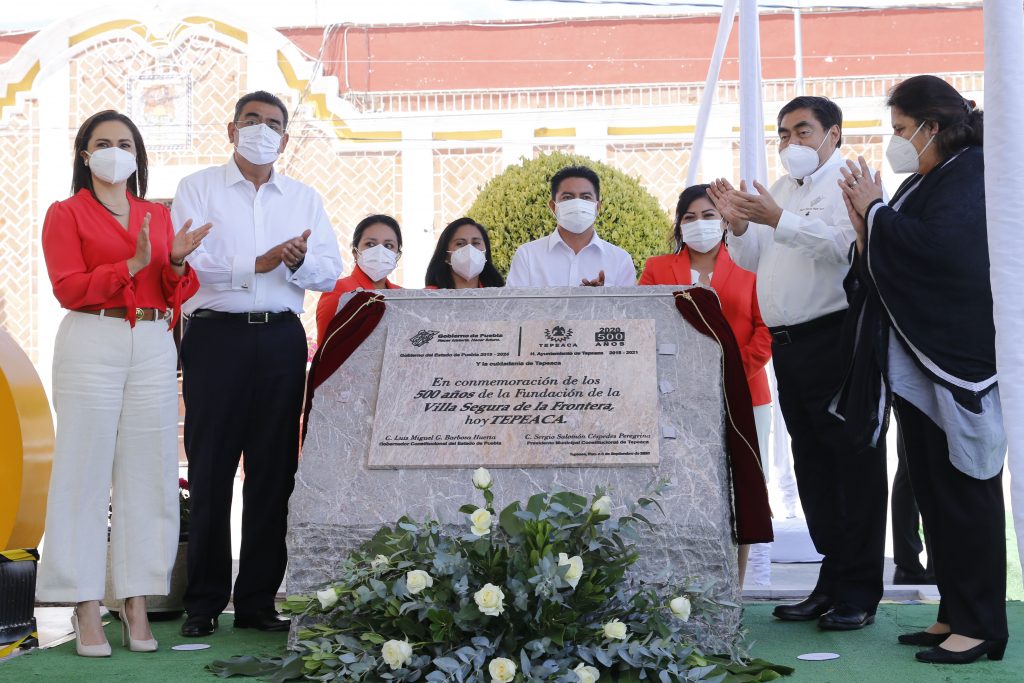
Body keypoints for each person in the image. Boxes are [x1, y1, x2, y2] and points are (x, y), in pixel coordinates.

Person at [837, 75, 1006, 664]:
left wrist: (875, 214)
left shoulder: (972, 173)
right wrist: (868, 227)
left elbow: (946, 258)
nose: (897, 142)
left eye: (903, 130)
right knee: (934, 493)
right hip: (916, 363)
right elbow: (889, 252)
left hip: (958, 365)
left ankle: (983, 624)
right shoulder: (928, 179)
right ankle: (953, 612)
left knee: (964, 493)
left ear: (933, 126)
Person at [708, 95, 887, 631]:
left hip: (836, 339)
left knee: (853, 463)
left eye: (802, 131)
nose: (790, 143)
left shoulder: (851, 183)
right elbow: (753, 259)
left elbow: (843, 248)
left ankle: (860, 589)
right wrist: (738, 226)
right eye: (783, 134)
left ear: (834, 134)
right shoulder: (781, 189)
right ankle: (831, 578)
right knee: (811, 463)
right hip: (790, 345)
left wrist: (778, 219)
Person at [37, 110, 209, 656]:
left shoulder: (156, 216)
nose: (115, 150)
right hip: (93, 338)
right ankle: (85, 604)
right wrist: (130, 265)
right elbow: (68, 287)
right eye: (103, 142)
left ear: (138, 155)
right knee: (83, 473)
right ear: (85, 155)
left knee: (151, 472)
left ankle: (136, 602)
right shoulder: (65, 214)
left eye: (125, 143)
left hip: (155, 344)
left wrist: (175, 263)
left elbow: (175, 288)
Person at [172, 90, 343, 637]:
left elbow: (329, 270)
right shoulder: (197, 188)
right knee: (211, 470)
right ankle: (202, 602)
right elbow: (194, 266)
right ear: (231, 128)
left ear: (287, 139)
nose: (262, 130)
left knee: (273, 472)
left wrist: (291, 264)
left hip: (280, 341)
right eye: (252, 120)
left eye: (273, 123)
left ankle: (257, 602)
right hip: (215, 340)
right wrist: (259, 261)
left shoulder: (304, 197)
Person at [638, 183, 772, 586]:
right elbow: (647, 324)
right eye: (690, 217)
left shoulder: (751, 273)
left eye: (709, 215)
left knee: (741, 490)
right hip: (676, 395)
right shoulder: (657, 269)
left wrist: (728, 373)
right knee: (679, 487)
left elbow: (766, 331)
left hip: (746, 395)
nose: (700, 224)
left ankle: (735, 586)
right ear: (679, 225)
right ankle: (678, 584)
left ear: (725, 221)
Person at [505, 165, 636, 287]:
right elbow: (514, 308)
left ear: (597, 207)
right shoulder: (527, 256)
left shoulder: (620, 260)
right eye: (568, 197)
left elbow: (629, 309)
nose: (577, 203)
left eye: (585, 197)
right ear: (553, 206)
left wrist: (601, 300)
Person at [315, 214, 403, 344]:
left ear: (397, 255)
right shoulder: (339, 291)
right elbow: (327, 349)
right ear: (355, 252)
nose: (380, 251)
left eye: (388, 246)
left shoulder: (403, 295)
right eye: (370, 244)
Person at [424, 217, 506, 290]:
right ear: (445, 255)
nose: (470, 249)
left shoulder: (499, 296)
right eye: (460, 243)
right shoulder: (428, 297)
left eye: (476, 243)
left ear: (486, 251)